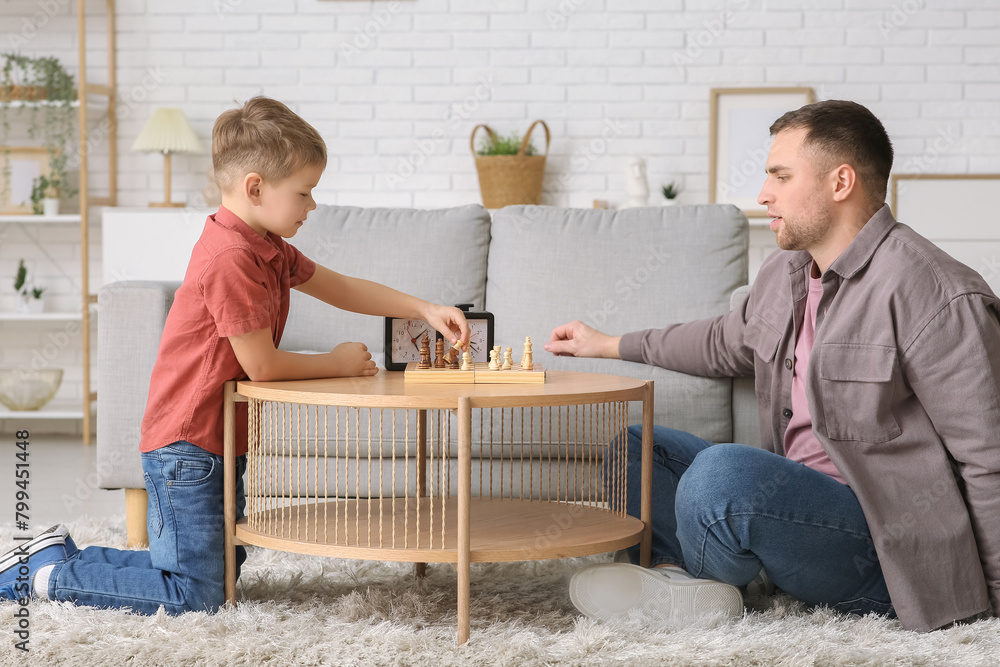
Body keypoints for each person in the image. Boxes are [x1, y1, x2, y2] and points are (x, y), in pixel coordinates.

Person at [0, 96, 470, 614]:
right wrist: (334, 363)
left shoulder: (265, 245)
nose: (312, 207)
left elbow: (340, 287)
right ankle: (39, 577)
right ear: (255, 187)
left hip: (217, 439)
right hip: (187, 444)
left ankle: (54, 555)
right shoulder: (231, 258)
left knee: (215, 572)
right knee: (196, 596)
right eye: (304, 193)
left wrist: (424, 308)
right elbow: (262, 366)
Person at [547, 100, 999, 632]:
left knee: (722, 476)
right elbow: (722, 341)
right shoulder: (786, 270)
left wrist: (989, 602)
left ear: (841, 182)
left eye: (781, 176)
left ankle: (691, 586)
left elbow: (988, 455)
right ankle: (675, 582)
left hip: (881, 540)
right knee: (636, 445)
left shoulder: (937, 292)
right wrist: (608, 344)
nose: (764, 193)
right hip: (793, 499)